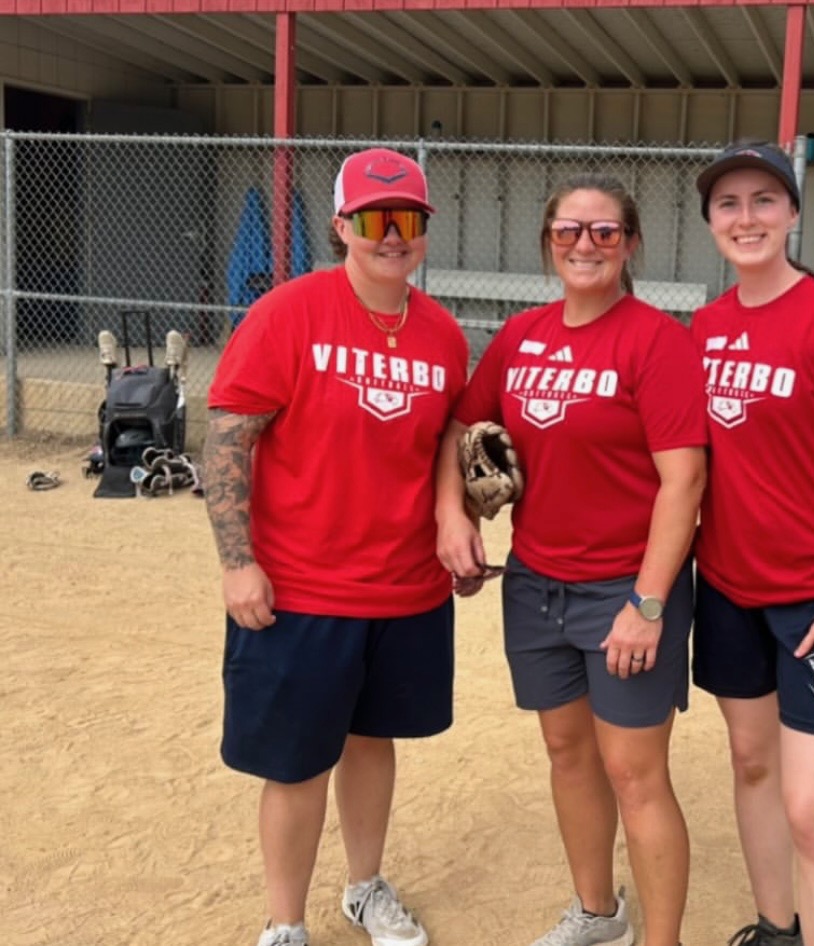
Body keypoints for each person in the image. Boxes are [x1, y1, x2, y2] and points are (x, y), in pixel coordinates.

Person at [203, 147, 469, 946]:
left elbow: (443, 450)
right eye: (376, 220)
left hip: (403, 586)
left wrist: (458, 525)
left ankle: (365, 886)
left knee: (371, 738)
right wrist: (236, 560)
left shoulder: (444, 335)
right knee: (293, 762)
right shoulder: (289, 312)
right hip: (302, 588)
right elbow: (227, 438)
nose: (394, 237)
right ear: (342, 225)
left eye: (409, 221)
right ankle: (285, 923)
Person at [437, 174, 708, 946]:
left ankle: (663, 942)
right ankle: (599, 914)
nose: (585, 245)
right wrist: (448, 516)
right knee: (567, 751)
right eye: (568, 231)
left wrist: (648, 604)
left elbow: (684, 480)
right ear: (547, 240)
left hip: (625, 587)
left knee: (636, 772)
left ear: (629, 245)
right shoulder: (522, 337)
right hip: (537, 583)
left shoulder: (656, 340)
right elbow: (461, 430)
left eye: (604, 232)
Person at [689, 142, 814, 946]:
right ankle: (778, 930)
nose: (747, 218)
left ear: (793, 214)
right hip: (731, 590)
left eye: (764, 201)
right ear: (711, 224)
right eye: (729, 204)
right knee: (752, 767)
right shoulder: (703, 329)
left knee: (813, 810)